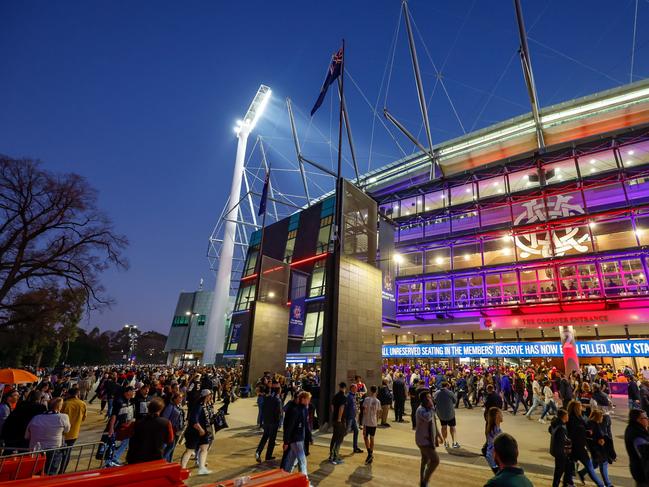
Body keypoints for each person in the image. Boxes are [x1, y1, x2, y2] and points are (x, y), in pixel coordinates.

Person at [25, 397, 71, 475]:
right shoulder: (63, 417)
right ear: (59, 406)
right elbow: (67, 430)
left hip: (35, 449)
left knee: (35, 473)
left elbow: (27, 435)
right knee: (50, 473)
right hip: (53, 449)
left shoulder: (36, 417)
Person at [566, 400, 604, 487]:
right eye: (580, 407)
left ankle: (570, 483)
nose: (582, 408)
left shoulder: (578, 417)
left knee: (571, 466)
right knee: (589, 466)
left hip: (577, 446)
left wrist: (586, 432)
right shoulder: (572, 419)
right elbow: (576, 432)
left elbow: (583, 429)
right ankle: (600, 485)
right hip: (577, 446)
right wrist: (585, 432)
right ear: (576, 409)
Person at [126, 397, 174, 464]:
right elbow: (170, 440)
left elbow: (127, 435)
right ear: (161, 409)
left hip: (135, 457)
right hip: (154, 458)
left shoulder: (137, 423)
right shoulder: (166, 423)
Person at [180, 389, 214, 475]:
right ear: (206, 396)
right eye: (210, 395)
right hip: (194, 432)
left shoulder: (207, 405)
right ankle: (182, 469)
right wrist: (200, 429)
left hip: (204, 431)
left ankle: (202, 467)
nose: (211, 397)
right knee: (189, 450)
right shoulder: (198, 406)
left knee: (204, 449)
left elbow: (208, 417)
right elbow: (194, 421)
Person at [578, 409, 614, 487]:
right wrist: (601, 441)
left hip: (593, 448)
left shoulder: (589, 423)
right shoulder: (595, 425)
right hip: (598, 449)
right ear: (598, 417)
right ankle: (608, 484)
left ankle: (582, 473)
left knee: (594, 464)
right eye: (601, 417)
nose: (602, 419)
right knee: (603, 464)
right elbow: (597, 438)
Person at [281, 390, 311, 483]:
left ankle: (284, 477)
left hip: (298, 439)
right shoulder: (295, 410)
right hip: (296, 439)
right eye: (308, 399)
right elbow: (289, 427)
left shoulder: (304, 409)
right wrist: (286, 442)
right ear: (303, 399)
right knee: (302, 462)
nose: (309, 401)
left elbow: (306, 425)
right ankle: (304, 482)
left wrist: (309, 437)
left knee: (291, 461)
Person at [415, 391, 441, 487]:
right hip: (423, 440)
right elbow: (428, 418)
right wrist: (432, 407)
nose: (431, 399)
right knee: (435, 460)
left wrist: (438, 435)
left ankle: (422, 480)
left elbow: (434, 422)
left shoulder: (428, 409)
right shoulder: (421, 410)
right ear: (424, 399)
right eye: (429, 397)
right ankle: (425, 481)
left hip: (427, 439)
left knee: (425, 460)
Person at [106, 385, 135, 466]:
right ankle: (108, 461)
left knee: (125, 442)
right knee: (112, 444)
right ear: (127, 392)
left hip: (126, 427)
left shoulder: (131, 401)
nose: (133, 393)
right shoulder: (119, 401)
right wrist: (111, 428)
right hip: (117, 427)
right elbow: (114, 415)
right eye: (132, 391)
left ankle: (114, 457)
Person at [60, 387, 87, 473]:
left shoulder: (65, 404)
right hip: (74, 432)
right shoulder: (82, 404)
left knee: (57, 453)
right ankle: (62, 470)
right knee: (67, 453)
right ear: (77, 394)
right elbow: (83, 418)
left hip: (62, 433)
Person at [256, 380, 282, 462]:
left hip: (266, 420)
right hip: (274, 422)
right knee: (272, 439)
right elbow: (278, 412)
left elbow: (263, 409)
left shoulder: (267, 398)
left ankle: (258, 451)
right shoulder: (277, 400)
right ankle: (268, 456)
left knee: (265, 436)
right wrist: (278, 422)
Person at [624, 408, 649, 487]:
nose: (647, 419)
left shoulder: (636, 429)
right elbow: (645, 451)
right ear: (638, 420)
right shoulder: (636, 434)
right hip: (642, 472)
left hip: (640, 470)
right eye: (645, 417)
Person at [549, 408, 573, 487]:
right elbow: (563, 441)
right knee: (559, 471)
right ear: (564, 416)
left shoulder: (556, 424)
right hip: (561, 453)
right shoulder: (561, 428)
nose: (568, 417)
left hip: (558, 452)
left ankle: (567, 484)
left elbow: (550, 430)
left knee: (566, 468)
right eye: (567, 415)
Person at [434, 382, 459, 448]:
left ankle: (445, 442)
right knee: (452, 427)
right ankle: (454, 442)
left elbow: (434, 401)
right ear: (447, 386)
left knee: (443, 427)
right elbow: (455, 401)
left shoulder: (436, 393)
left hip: (441, 413)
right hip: (450, 413)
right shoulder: (450, 393)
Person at [361, 385, 381, 465]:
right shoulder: (378, 401)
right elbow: (378, 413)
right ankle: (370, 453)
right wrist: (377, 420)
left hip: (366, 421)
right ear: (376, 391)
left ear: (370, 390)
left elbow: (364, 411)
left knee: (365, 437)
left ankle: (369, 453)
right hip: (374, 422)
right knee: (372, 437)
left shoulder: (366, 399)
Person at [161, 392, 184, 462]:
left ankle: (169, 462)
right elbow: (165, 418)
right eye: (179, 397)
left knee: (172, 447)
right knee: (170, 447)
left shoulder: (178, 406)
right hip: (171, 430)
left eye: (182, 397)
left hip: (177, 430)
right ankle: (163, 461)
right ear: (174, 399)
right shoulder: (170, 406)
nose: (181, 399)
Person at [328, 382, 347, 464]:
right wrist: (339, 418)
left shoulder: (335, 396)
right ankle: (335, 457)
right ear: (345, 388)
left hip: (334, 419)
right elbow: (341, 408)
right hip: (340, 420)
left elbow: (332, 406)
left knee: (334, 437)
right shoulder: (343, 397)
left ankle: (331, 455)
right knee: (339, 438)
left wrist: (334, 415)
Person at [344, 383, 363, 454]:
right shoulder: (348, 396)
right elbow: (345, 407)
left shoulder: (354, 395)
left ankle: (355, 447)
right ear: (352, 388)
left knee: (356, 431)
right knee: (346, 432)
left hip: (353, 416)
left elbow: (354, 405)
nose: (357, 389)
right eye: (355, 388)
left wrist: (357, 410)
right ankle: (336, 443)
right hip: (349, 417)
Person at [485, 407, 503, 474]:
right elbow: (496, 446)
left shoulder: (493, 428)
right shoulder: (496, 431)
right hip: (494, 459)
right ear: (497, 415)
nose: (502, 416)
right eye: (501, 414)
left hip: (492, 457)